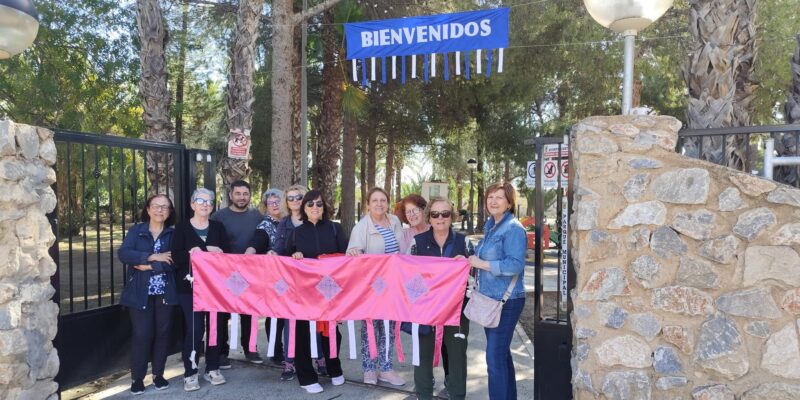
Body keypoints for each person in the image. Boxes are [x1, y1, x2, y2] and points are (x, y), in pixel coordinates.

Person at [283, 189, 348, 394]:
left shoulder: (335, 229)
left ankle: (333, 368)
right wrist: (295, 255)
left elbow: (346, 259)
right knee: (302, 332)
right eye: (310, 204)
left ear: (324, 207)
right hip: (303, 294)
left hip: (329, 292)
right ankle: (306, 376)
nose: (314, 208)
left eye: (319, 204)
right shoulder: (296, 233)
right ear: (303, 208)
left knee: (331, 333)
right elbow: (285, 261)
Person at [468, 182, 527, 400]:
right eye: (490, 197)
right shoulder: (491, 225)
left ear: (509, 203)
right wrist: (468, 259)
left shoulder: (513, 229)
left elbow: (514, 265)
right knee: (501, 356)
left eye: (499, 197)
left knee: (494, 358)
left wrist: (481, 264)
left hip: (507, 301)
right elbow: (483, 254)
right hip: (490, 300)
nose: (493, 201)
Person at [407, 197, 471, 400]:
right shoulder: (418, 243)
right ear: (429, 217)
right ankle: (423, 395)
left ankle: (457, 394)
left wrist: (467, 268)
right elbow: (406, 275)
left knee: (457, 356)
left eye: (445, 213)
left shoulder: (464, 242)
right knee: (423, 356)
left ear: (452, 217)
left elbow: (476, 276)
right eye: (435, 214)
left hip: (457, 311)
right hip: (426, 311)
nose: (440, 218)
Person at [118, 194, 177, 395]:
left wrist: (149, 266)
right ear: (148, 209)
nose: (160, 210)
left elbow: (175, 262)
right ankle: (137, 378)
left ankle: (158, 375)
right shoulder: (137, 231)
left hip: (165, 293)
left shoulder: (173, 234)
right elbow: (124, 254)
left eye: (165, 207)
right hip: (139, 293)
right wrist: (152, 256)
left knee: (162, 334)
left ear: (170, 211)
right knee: (142, 335)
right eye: (156, 206)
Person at [346, 187, 405, 386]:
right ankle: (369, 369)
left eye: (383, 200)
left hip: (393, 284)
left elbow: (402, 249)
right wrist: (354, 252)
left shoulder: (395, 221)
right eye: (375, 200)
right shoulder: (362, 227)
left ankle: (386, 369)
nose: (379, 204)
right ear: (368, 204)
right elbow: (352, 254)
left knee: (388, 327)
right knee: (370, 327)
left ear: (388, 203)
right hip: (371, 287)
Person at [171, 188, 229, 391]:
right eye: (200, 200)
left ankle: (212, 368)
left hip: (215, 289)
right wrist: (194, 253)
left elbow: (228, 258)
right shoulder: (182, 228)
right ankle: (191, 372)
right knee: (195, 329)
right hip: (189, 289)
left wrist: (219, 253)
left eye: (209, 201)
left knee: (216, 328)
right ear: (192, 204)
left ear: (213, 206)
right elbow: (176, 258)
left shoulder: (218, 227)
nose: (205, 204)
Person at [210, 180, 264, 366]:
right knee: (223, 312)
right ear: (230, 195)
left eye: (245, 194)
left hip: (251, 273)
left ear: (250, 195)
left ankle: (250, 349)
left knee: (250, 312)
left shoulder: (257, 216)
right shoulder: (218, 216)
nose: (242, 197)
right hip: (224, 273)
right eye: (238, 193)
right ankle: (221, 352)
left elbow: (263, 239)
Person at [246, 188, 291, 374]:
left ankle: (293, 348)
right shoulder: (265, 225)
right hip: (274, 279)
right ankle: (276, 350)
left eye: (278, 201)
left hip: (293, 276)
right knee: (276, 316)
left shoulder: (291, 221)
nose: (275, 205)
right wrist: (249, 253)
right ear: (265, 205)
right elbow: (257, 242)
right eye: (271, 202)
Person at [269, 184, 309, 380]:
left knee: (315, 320)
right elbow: (278, 246)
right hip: (289, 281)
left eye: (298, 197)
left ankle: (318, 359)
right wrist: (273, 253)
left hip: (311, 281)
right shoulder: (284, 222)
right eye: (290, 198)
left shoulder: (314, 219)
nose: (295, 201)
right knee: (290, 321)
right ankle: (289, 361)